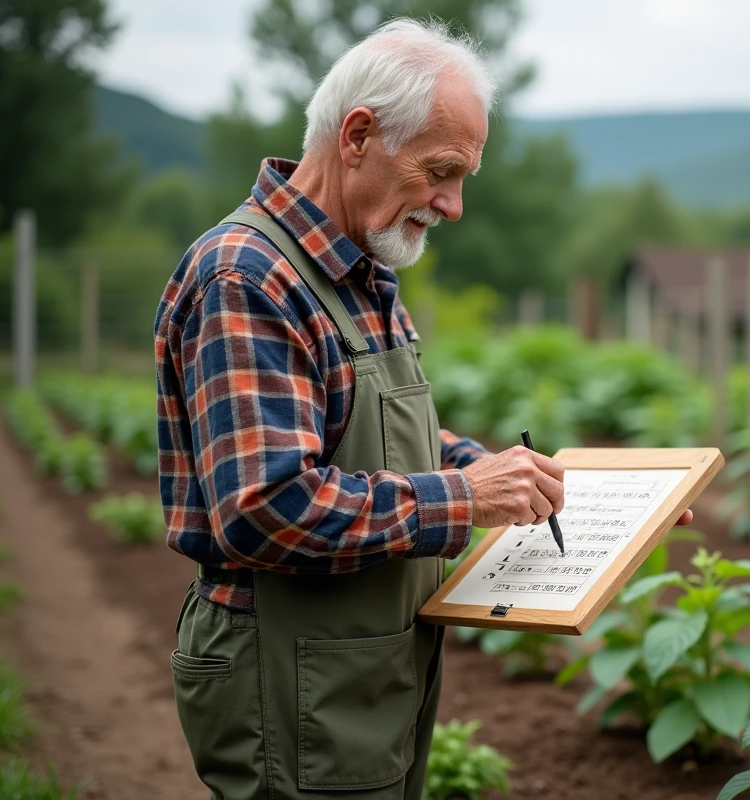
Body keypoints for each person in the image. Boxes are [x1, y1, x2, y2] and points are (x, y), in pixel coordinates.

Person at [154, 18, 691, 800]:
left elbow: (376, 437)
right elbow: (266, 508)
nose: (455, 204)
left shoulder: (358, 272)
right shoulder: (249, 279)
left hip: (361, 659)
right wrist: (467, 498)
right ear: (360, 135)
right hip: (288, 674)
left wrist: (549, 485)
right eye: (443, 171)